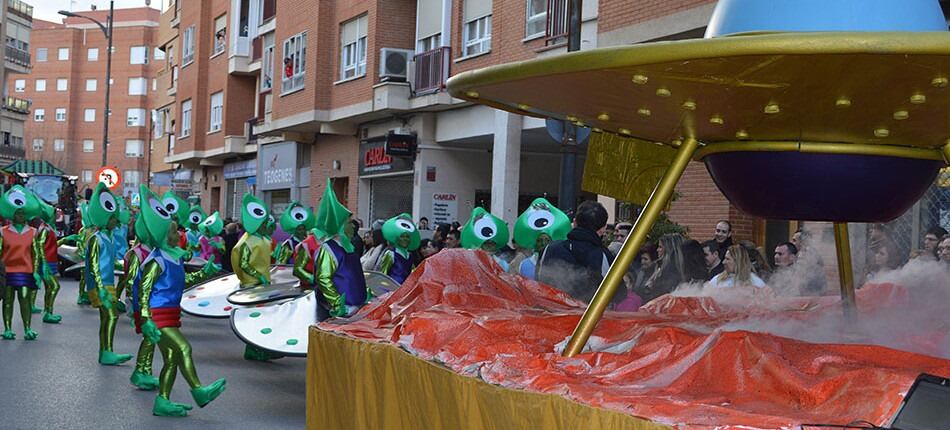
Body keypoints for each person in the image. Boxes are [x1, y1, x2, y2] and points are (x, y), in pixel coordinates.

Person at [135, 185, 225, 417]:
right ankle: (198, 390)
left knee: (172, 359)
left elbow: (182, 283)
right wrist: (145, 319)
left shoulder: (172, 258)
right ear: (166, 236)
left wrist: (205, 273)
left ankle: (163, 401)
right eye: (174, 233)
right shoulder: (156, 260)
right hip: (159, 315)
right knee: (184, 347)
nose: (178, 236)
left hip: (171, 314)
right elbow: (144, 291)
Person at [538, 201, 626, 304]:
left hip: (550, 315)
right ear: (603, 229)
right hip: (589, 318)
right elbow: (620, 293)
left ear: (574, 223)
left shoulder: (550, 249)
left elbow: (538, 285)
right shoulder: (604, 256)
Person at [84, 183, 133, 364]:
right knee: (111, 315)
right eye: (113, 219)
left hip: (108, 283)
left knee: (106, 317)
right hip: (100, 285)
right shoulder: (96, 239)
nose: (116, 221)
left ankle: (105, 352)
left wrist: (121, 266)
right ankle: (107, 351)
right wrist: (99, 288)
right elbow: (94, 266)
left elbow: (109, 262)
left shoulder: (108, 238)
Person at [230, 193, 278, 361]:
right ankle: (253, 349)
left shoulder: (263, 239)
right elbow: (243, 264)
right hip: (252, 286)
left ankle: (260, 347)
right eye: (264, 222)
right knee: (254, 317)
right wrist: (258, 276)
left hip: (262, 285)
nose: (266, 225)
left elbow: (265, 259)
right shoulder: (246, 241)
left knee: (263, 316)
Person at [313, 180, 367, 320]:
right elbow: (323, 278)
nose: (353, 226)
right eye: (349, 223)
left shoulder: (349, 247)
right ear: (340, 227)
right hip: (343, 312)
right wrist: (337, 303)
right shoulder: (329, 249)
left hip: (357, 309)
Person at [0, 186, 43, 340]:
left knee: (25, 300)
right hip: (7, 271)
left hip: (25, 270)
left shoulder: (32, 232)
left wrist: (36, 272)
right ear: (12, 215)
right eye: (17, 213)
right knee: (7, 301)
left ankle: (27, 328)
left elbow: (36, 254)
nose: (20, 216)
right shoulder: (3, 231)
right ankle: (7, 328)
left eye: (23, 213)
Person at [512, 198, 571, 280]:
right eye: (540, 241)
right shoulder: (524, 264)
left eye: (547, 240)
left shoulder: (559, 264)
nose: (543, 244)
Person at [460, 207, 512, 271]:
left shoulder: (502, 264)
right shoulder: (470, 262)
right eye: (486, 243)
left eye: (492, 243)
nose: (489, 246)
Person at [376, 213, 421, 284]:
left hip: (406, 290)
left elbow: (413, 274)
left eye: (407, 237)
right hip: (392, 290)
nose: (405, 239)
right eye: (402, 236)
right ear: (397, 238)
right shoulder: (390, 254)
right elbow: (383, 274)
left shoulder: (410, 256)